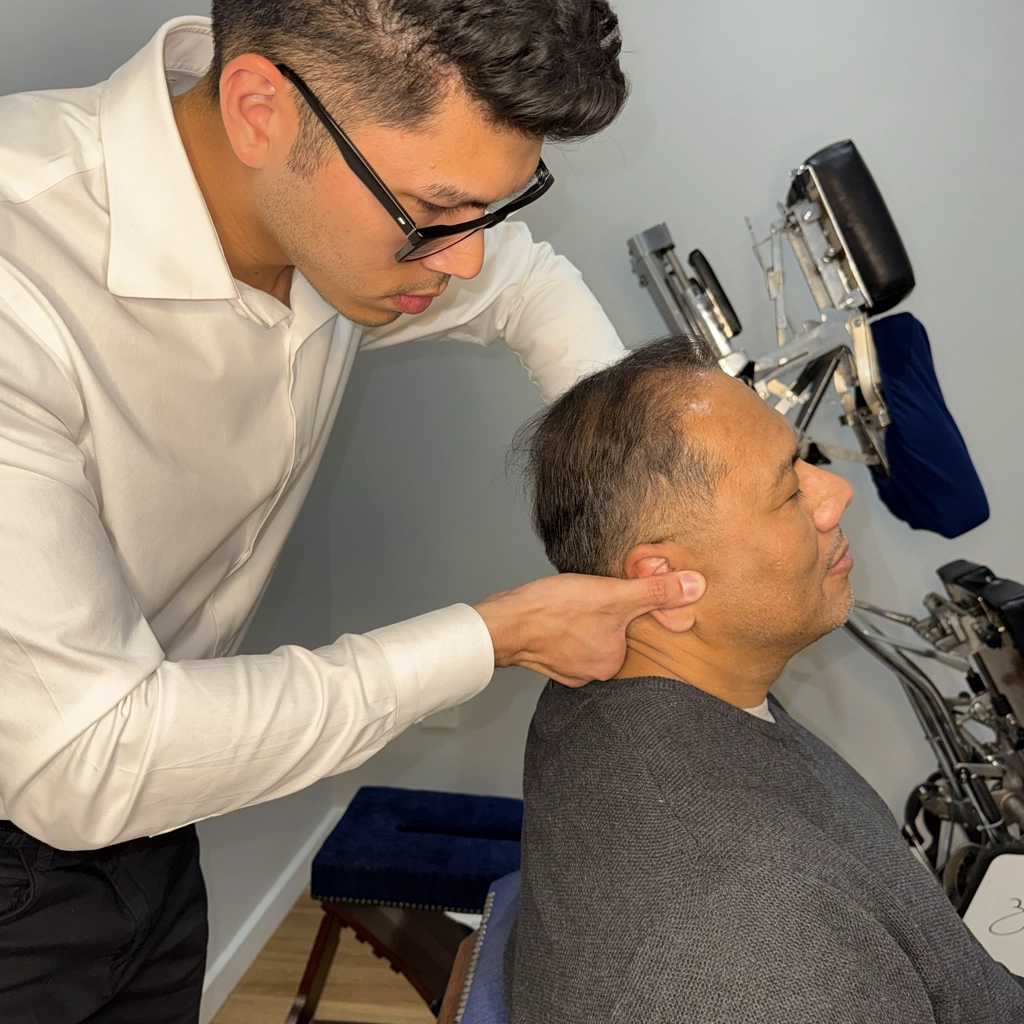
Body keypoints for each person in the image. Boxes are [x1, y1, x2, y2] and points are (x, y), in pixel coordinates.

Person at [0, 4, 705, 1022]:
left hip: (156, 825)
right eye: (434, 211)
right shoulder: (23, 282)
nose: (464, 259)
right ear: (259, 111)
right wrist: (495, 637)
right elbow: (88, 758)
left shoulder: (322, 217)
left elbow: (524, 284)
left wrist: (649, 495)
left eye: (492, 208)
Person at [504, 336, 1024, 1023]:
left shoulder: (609, 690)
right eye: (789, 490)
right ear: (666, 584)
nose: (836, 494)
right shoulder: (762, 936)